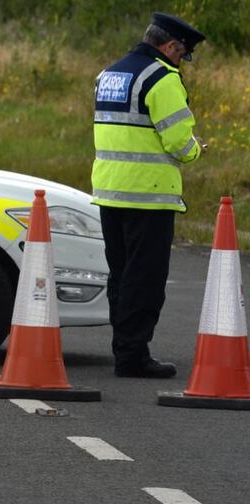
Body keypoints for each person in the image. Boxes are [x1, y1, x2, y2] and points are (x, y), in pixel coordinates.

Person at [91, 12, 206, 378]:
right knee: (145, 278)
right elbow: (177, 140)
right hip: (148, 195)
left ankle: (123, 348)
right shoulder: (162, 78)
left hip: (110, 192)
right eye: (183, 54)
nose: (181, 62)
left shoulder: (109, 74)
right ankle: (133, 355)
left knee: (121, 275)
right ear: (170, 46)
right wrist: (196, 150)